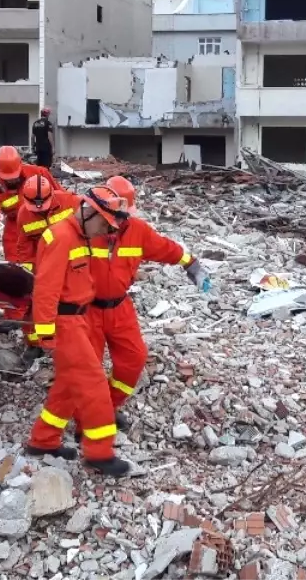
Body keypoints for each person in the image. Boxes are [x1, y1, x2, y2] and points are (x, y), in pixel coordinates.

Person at [26, 186, 134, 476]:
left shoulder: (80, 235)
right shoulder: (61, 237)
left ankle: (43, 439)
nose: (104, 231)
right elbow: (45, 289)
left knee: (68, 385)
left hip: (79, 319)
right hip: (65, 324)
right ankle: (99, 452)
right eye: (103, 223)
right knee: (93, 384)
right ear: (88, 212)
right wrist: (45, 332)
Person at [87, 176, 208, 427]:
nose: (118, 222)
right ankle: (86, 420)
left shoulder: (137, 231)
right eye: (114, 216)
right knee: (89, 369)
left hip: (119, 308)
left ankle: (108, 406)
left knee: (134, 358)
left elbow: (164, 247)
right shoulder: (84, 229)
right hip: (86, 310)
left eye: (123, 216)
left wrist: (191, 264)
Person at [14, 175, 81, 347]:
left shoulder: (70, 201)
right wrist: (28, 274)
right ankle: (35, 343)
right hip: (45, 263)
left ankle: (69, 338)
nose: (40, 211)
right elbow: (24, 246)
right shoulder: (24, 215)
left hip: (72, 260)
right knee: (38, 301)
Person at [0, 146, 62, 265]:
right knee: (19, 270)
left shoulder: (39, 174)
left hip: (47, 226)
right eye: (7, 179)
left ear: (20, 165)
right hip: (16, 232)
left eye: (14, 177)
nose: (11, 181)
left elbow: (61, 198)